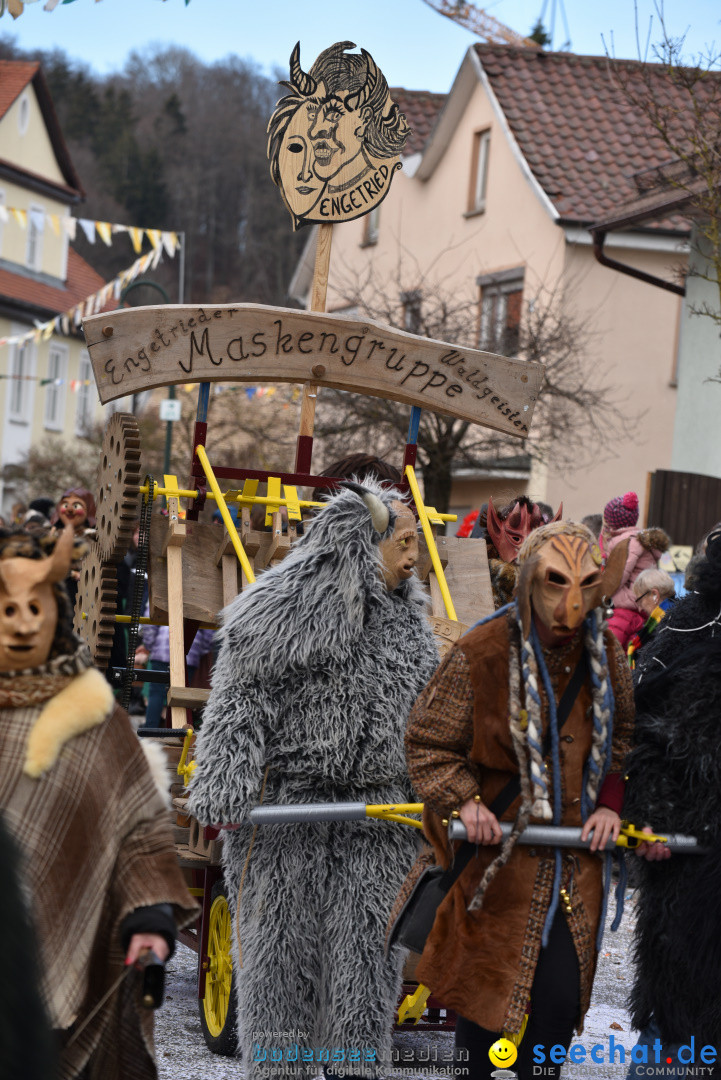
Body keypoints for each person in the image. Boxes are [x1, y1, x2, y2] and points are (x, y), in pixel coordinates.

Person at [187, 480, 439, 1080]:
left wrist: (433, 794)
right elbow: (240, 697)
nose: (413, 557)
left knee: (368, 956)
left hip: (379, 814)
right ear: (362, 542)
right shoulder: (284, 605)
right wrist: (226, 785)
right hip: (289, 808)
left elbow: (430, 715)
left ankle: (354, 1069)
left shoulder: (411, 621)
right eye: (404, 542)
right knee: (280, 954)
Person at [403, 521, 635, 1080]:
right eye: (555, 582)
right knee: (483, 1006)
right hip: (494, 865)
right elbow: (428, 742)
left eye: (582, 584)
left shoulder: (604, 652)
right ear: (528, 580)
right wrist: (465, 802)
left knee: (555, 1010)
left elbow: (624, 737)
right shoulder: (480, 652)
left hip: (571, 865)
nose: (569, 606)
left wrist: (608, 801)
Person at [0, 523, 197, 1079]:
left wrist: (150, 915)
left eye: (35, 605)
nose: (21, 623)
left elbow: (138, 829)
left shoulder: (94, 719)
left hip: (75, 965)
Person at [623, 528, 721, 1080]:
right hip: (689, 862)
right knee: (676, 1019)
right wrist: (652, 817)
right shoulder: (692, 622)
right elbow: (638, 732)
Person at [600, 492, 669, 648]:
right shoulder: (640, 539)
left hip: (625, 608)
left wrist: (601, 593)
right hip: (640, 607)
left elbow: (616, 577)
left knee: (609, 649)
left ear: (613, 521)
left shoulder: (625, 542)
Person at [626, 568, 675, 671]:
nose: (639, 608)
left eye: (640, 601)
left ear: (655, 595)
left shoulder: (664, 625)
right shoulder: (674, 613)